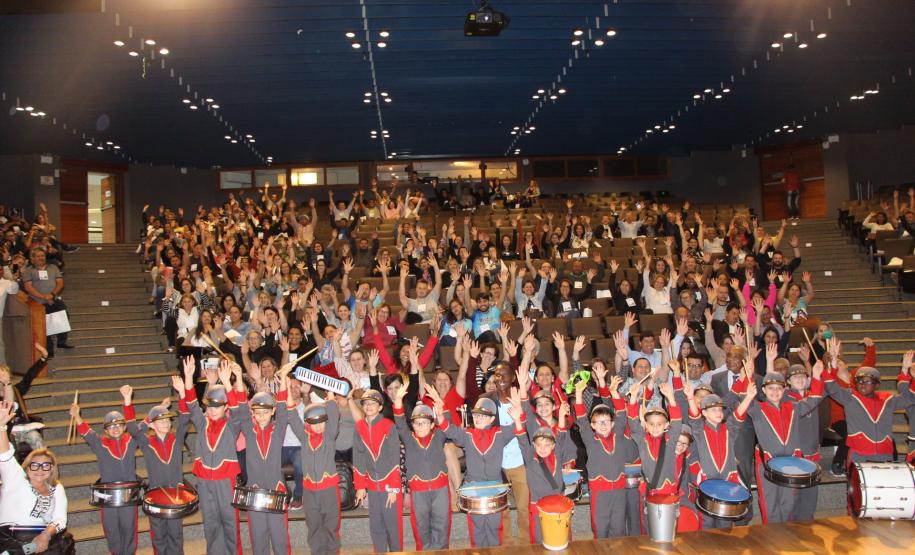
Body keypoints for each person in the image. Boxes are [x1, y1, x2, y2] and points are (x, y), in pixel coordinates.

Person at [732, 365, 825, 524]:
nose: (775, 392)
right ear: (764, 390)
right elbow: (741, 397)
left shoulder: (793, 407)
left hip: (790, 464)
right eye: (770, 388)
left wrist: (816, 376)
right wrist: (748, 376)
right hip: (768, 464)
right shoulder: (758, 408)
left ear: (784, 390)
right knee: (770, 504)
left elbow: (815, 399)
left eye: (779, 389)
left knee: (788, 502)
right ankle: (773, 538)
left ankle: (785, 535)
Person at [436, 395, 520, 548]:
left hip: (494, 488)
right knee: (477, 529)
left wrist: (519, 413)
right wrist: (440, 415)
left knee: (495, 529)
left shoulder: (500, 434)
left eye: (483, 415)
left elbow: (519, 426)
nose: (478, 418)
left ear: (491, 418)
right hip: (473, 488)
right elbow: (449, 430)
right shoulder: (467, 434)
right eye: (476, 415)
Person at [181, 358, 246, 555]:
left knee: (229, 522)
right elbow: (192, 405)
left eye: (217, 406)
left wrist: (227, 383)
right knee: (210, 523)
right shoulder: (202, 423)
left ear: (225, 407)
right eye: (209, 406)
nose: (211, 410)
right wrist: (188, 378)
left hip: (225, 481)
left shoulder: (231, 425)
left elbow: (238, 411)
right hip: (204, 481)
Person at [123, 381, 190, 555]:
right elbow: (132, 428)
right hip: (155, 495)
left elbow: (184, 419)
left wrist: (182, 393)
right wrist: (127, 401)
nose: (166, 423)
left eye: (168, 419)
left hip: (175, 495)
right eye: (161, 421)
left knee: (176, 535)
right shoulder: (147, 442)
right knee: (159, 536)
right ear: (151, 425)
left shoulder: (177, 439)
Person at [0, 401, 74, 554]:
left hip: (42, 539)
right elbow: (5, 455)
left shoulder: (56, 487)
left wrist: (45, 536)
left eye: (46, 465)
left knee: (65, 543)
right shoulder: (16, 477)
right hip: (11, 538)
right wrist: (1, 427)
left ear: (52, 468)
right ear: (27, 466)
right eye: (35, 465)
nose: (40, 470)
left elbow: (60, 519)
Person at [822, 350, 915, 472]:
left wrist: (904, 371)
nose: (862, 384)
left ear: (877, 385)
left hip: (885, 454)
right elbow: (831, 387)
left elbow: (910, 399)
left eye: (867, 381)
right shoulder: (850, 397)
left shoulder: (887, 399)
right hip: (859, 455)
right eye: (859, 381)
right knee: (859, 489)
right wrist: (833, 365)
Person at [70, 398, 138, 554]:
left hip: (128, 495)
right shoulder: (100, 443)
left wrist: (128, 403)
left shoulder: (131, 441)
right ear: (105, 430)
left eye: (118, 425)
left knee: (129, 528)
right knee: (111, 529)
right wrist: (77, 416)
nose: (115, 429)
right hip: (108, 497)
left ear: (124, 427)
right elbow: (86, 432)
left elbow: (140, 426)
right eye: (110, 426)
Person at [236, 368, 292, 555]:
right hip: (254, 492)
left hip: (276, 490)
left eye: (265, 412)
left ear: (272, 411)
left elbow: (284, 408)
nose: (261, 416)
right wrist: (237, 377)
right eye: (257, 413)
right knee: (258, 539)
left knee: (280, 539)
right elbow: (241, 407)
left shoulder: (278, 431)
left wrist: (283, 378)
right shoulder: (248, 430)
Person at [683, 378, 749, 530]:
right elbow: (694, 416)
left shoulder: (729, 429)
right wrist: (691, 398)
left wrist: (749, 397)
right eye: (713, 410)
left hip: (727, 481)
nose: (718, 413)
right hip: (707, 482)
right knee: (707, 522)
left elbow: (739, 415)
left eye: (720, 409)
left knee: (725, 522)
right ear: (704, 412)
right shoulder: (699, 430)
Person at [573, 374, 629, 539]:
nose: (604, 425)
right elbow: (581, 419)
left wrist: (614, 393)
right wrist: (578, 394)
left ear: (613, 423)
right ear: (592, 426)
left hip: (619, 489)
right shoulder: (590, 440)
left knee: (619, 528)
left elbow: (622, 414)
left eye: (607, 421)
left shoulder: (617, 434)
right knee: (601, 527)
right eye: (599, 422)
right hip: (600, 492)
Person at [395, 385, 451, 551]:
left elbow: (446, 423)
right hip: (418, 490)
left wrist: (440, 402)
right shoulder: (408, 438)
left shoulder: (439, 436)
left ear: (432, 424)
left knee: (442, 524)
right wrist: (398, 402)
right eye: (417, 423)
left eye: (425, 423)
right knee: (420, 526)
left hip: (440, 489)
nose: (420, 426)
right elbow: (399, 423)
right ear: (412, 425)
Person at [286, 390, 342, 555]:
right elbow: (292, 417)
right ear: (307, 423)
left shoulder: (330, 436)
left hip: (329, 491)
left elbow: (333, 416)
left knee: (331, 528)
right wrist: (287, 386)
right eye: (313, 422)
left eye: (322, 422)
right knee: (314, 527)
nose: (318, 425)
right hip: (309, 492)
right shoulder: (304, 437)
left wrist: (331, 397)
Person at [352, 389, 403, 553]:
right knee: (376, 525)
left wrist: (393, 489)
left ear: (380, 407)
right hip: (372, 485)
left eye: (373, 403)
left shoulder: (389, 426)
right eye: (366, 403)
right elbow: (358, 457)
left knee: (393, 526)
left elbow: (395, 458)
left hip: (390, 485)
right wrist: (360, 486)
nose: (369, 406)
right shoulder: (359, 426)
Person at [21, 247, 73, 356]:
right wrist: (43, 297)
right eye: (38, 256)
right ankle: (49, 350)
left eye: (43, 256)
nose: (41, 258)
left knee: (64, 315)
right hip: (37, 302)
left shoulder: (53, 267)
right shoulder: (28, 271)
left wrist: (51, 295)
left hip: (53, 299)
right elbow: (28, 287)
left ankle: (61, 342)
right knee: (44, 324)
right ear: (32, 258)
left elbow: (60, 283)